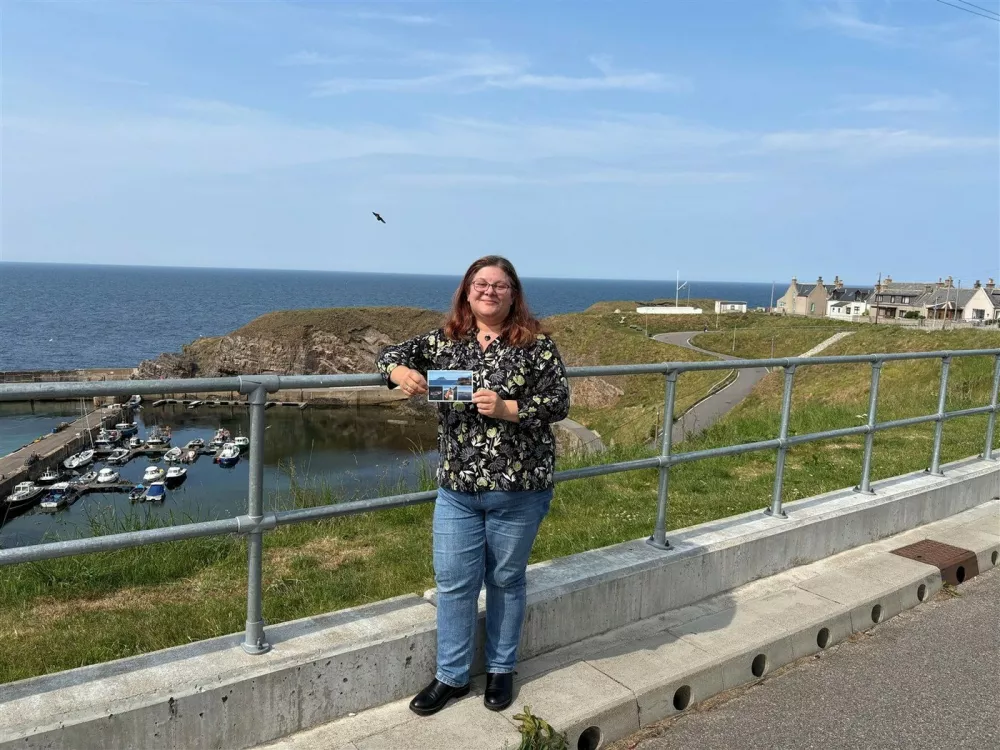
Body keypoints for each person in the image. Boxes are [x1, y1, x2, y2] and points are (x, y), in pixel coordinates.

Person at [377, 255, 569, 716]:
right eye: (481, 284)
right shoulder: (445, 341)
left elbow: (558, 402)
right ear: (467, 291)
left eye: (499, 285)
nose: (489, 291)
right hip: (457, 491)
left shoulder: (537, 345)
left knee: (505, 580)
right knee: (454, 584)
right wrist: (399, 374)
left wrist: (507, 409)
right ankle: (452, 676)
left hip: (519, 488)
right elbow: (389, 356)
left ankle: (501, 669)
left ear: (513, 294)